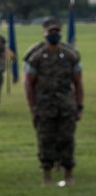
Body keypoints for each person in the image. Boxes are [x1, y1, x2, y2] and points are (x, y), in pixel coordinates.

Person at [23, 19, 83, 184]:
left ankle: (68, 173)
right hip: (44, 106)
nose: (54, 35)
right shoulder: (37, 57)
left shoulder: (70, 55)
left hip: (66, 105)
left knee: (67, 139)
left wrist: (79, 106)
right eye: (51, 33)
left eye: (56, 33)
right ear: (45, 34)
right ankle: (47, 175)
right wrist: (32, 108)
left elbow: (78, 83)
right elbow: (29, 84)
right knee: (45, 140)